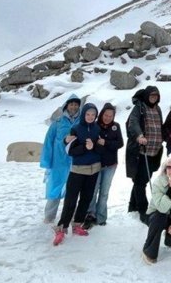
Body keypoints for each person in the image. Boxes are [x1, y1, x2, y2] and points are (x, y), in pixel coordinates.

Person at [53, 103, 103, 246]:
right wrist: (84, 147)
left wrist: (96, 146)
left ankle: (77, 225)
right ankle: (62, 228)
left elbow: (100, 150)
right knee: (71, 199)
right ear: (83, 114)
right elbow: (70, 150)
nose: (90, 117)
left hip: (94, 169)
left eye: (93, 115)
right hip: (78, 169)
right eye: (88, 114)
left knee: (86, 199)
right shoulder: (76, 129)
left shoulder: (97, 129)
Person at [40, 93, 81, 224]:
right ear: (66, 106)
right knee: (55, 189)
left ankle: (72, 215)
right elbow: (48, 142)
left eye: (76, 104)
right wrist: (47, 161)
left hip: (75, 161)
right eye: (71, 104)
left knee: (73, 190)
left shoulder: (82, 122)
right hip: (59, 162)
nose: (73, 107)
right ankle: (49, 216)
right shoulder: (57, 122)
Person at [126, 86, 164, 223]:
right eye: (152, 95)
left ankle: (132, 205)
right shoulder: (140, 107)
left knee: (141, 179)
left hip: (155, 151)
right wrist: (139, 135)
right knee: (141, 182)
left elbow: (160, 126)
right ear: (147, 95)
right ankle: (143, 210)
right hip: (142, 151)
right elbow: (133, 122)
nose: (154, 97)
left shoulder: (157, 109)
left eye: (156, 95)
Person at [85, 103, 124, 228]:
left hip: (110, 164)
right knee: (93, 190)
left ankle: (101, 217)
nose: (107, 118)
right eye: (106, 115)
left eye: (110, 116)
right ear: (101, 114)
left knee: (104, 191)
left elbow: (120, 143)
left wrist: (106, 142)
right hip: (96, 163)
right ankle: (90, 214)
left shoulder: (116, 127)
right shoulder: (95, 125)